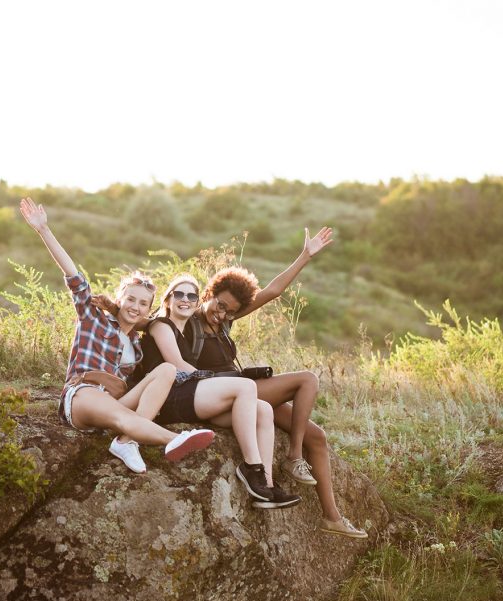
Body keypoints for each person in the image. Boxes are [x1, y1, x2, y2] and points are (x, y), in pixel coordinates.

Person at [171, 227, 368, 539]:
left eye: (230, 311)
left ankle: (332, 517)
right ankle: (293, 457)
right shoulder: (187, 319)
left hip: (246, 390)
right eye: (219, 305)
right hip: (222, 393)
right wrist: (116, 310)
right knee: (306, 380)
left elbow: (273, 291)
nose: (222, 314)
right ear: (207, 295)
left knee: (317, 436)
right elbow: (151, 321)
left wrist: (305, 256)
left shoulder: (226, 319)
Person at [18, 197, 214, 472]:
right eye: (131, 299)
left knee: (167, 370)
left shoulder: (138, 342)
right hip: (84, 395)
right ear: (119, 299)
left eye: (143, 303)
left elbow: (156, 333)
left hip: (113, 401)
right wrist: (44, 230)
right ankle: (175, 440)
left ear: (148, 308)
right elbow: (73, 276)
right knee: (119, 414)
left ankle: (127, 440)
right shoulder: (93, 317)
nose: (135, 307)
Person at [135, 274, 300, 510]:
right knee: (246, 387)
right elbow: (178, 365)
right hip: (167, 398)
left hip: (188, 399)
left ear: (197, 301)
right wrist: (221, 380)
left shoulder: (186, 330)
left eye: (191, 295)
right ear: (168, 299)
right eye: (179, 294)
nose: (185, 299)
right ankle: (252, 468)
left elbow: (268, 293)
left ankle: (266, 487)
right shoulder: (162, 325)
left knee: (262, 409)